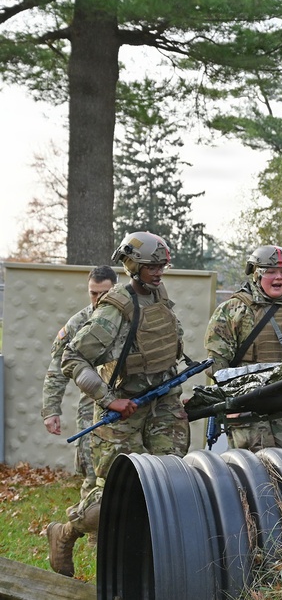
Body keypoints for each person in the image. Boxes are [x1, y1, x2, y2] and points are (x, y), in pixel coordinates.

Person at [47, 231, 188, 577]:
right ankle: (66, 533)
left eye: (162, 265)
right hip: (122, 409)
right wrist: (110, 400)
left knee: (170, 480)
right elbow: (73, 357)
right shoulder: (115, 307)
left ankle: (148, 563)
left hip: (162, 401)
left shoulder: (158, 294)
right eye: (151, 266)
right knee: (115, 494)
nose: (158, 272)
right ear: (132, 265)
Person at [203, 245, 282, 451]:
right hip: (247, 413)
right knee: (250, 476)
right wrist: (230, 402)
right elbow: (216, 363)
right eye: (270, 272)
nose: (278, 277)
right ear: (256, 274)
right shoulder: (232, 310)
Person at [40, 266, 118, 498]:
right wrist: (51, 410)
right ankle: (85, 530)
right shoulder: (80, 322)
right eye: (93, 293)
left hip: (128, 405)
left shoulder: (129, 319)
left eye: (105, 293)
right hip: (92, 410)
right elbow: (57, 368)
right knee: (93, 476)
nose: (98, 299)